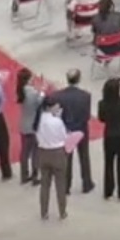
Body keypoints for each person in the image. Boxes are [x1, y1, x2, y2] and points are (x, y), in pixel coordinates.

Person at [34, 90, 75, 221]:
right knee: (60, 185)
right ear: (50, 107)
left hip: (43, 153)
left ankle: (44, 212)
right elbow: (64, 137)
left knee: (45, 185)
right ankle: (62, 212)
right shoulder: (57, 122)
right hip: (57, 153)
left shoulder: (38, 120)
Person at [54, 69, 94, 196]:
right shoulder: (86, 96)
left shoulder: (59, 95)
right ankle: (87, 183)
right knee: (84, 156)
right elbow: (87, 115)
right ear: (79, 79)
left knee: (66, 159)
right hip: (81, 129)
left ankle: (66, 185)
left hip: (67, 130)